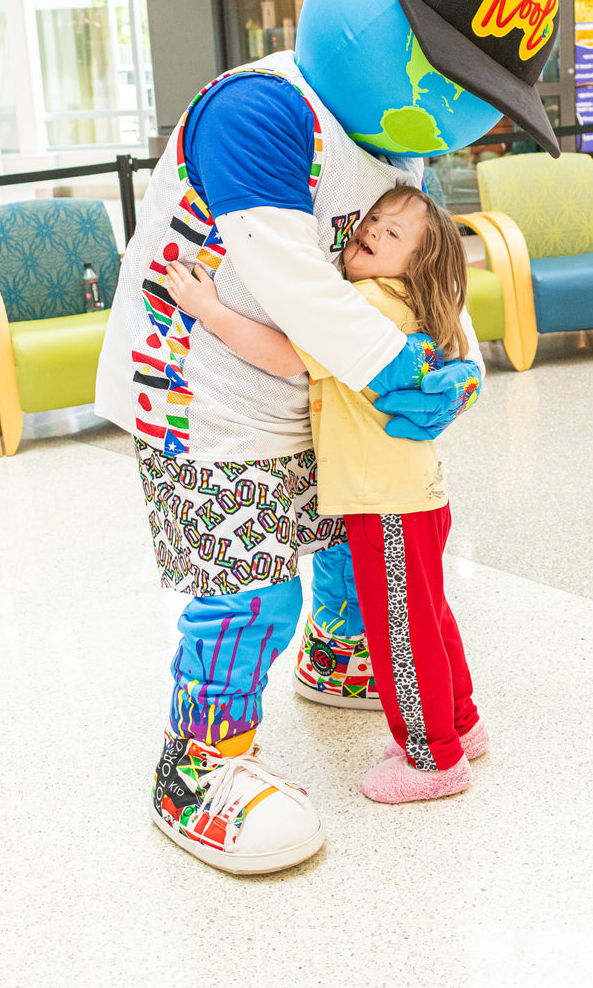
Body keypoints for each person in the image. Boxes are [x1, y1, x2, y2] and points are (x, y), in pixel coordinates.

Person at [94, 0, 560, 875]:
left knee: (349, 536)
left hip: (315, 398)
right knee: (247, 588)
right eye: (450, 76)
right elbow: (285, 274)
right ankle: (198, 763)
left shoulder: (397, 151)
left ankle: (339, 651)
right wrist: (396, 367)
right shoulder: (261, 109)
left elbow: (420, 271)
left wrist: (456, 365)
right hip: (208, 400)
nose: (458, 113)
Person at [165, 185, 489, 806]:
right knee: (428, 614)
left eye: (393, 233)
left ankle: (434, 760)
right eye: (373, 219)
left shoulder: (364, 303)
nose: (370, 230)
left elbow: (286, 357)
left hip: (382, 501)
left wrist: (206, 308)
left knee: (402, 632)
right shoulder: (404, 302)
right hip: (413, 493)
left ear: (417, 263)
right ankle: (460, 723)